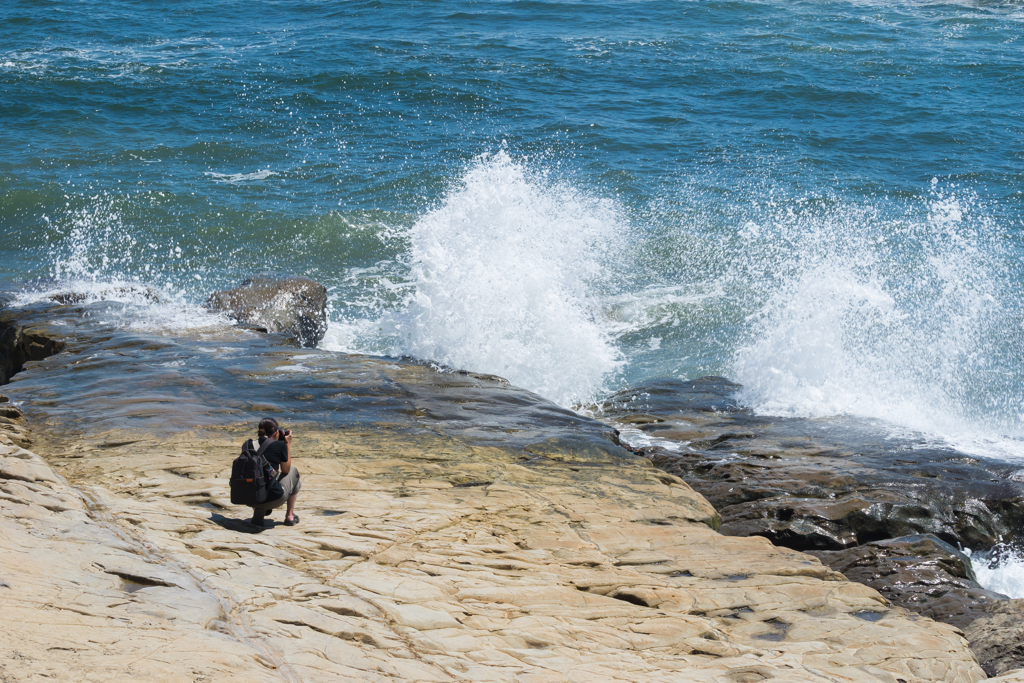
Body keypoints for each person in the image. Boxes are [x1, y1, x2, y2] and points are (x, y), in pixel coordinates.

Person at [249, 417, 301, 527]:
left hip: (249, 498)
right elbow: (286, 470)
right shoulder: (279, 445)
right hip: (273, 498)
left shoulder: (248, 445)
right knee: (293, 471)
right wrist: (287, 444)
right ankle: (290, 516)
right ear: (276, 432)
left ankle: (258, 510)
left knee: (262, 476)